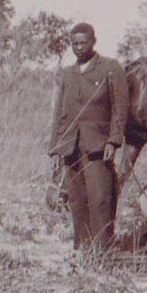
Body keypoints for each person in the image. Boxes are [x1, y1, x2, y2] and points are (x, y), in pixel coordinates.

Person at [48, 22, 128, 252]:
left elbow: (120, 108)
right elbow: (58, 113)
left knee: (100, 198)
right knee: (77, 200)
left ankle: (102, 251)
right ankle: (81, 249)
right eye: (74, 44)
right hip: (71, 146)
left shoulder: (111, 68)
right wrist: (54, 148)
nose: (79, 48)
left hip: (98, 146)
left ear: (94, 41)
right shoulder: (67, 74)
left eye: (83, 42)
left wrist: (113, 140)